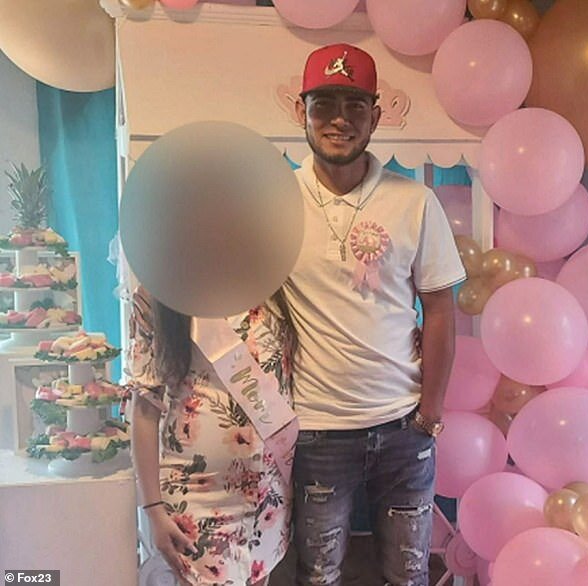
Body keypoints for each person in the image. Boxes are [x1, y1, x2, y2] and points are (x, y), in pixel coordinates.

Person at [283, 43, 467, 586]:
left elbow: (440, 308)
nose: (339, 119)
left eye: (355, 105)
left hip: (404, 427)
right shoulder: (275, 200)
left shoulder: (414, 201)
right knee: (318, 576)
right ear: (301, 111)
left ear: (376, 116)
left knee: (408, 575)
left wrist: (430, 412)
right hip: (316, 431)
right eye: (324, 104)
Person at [127, 287, 296, 586]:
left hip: (267, 496)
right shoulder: (158, 290)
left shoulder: (272, 282)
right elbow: (144, 410)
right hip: (197, 498)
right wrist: (153, 510)